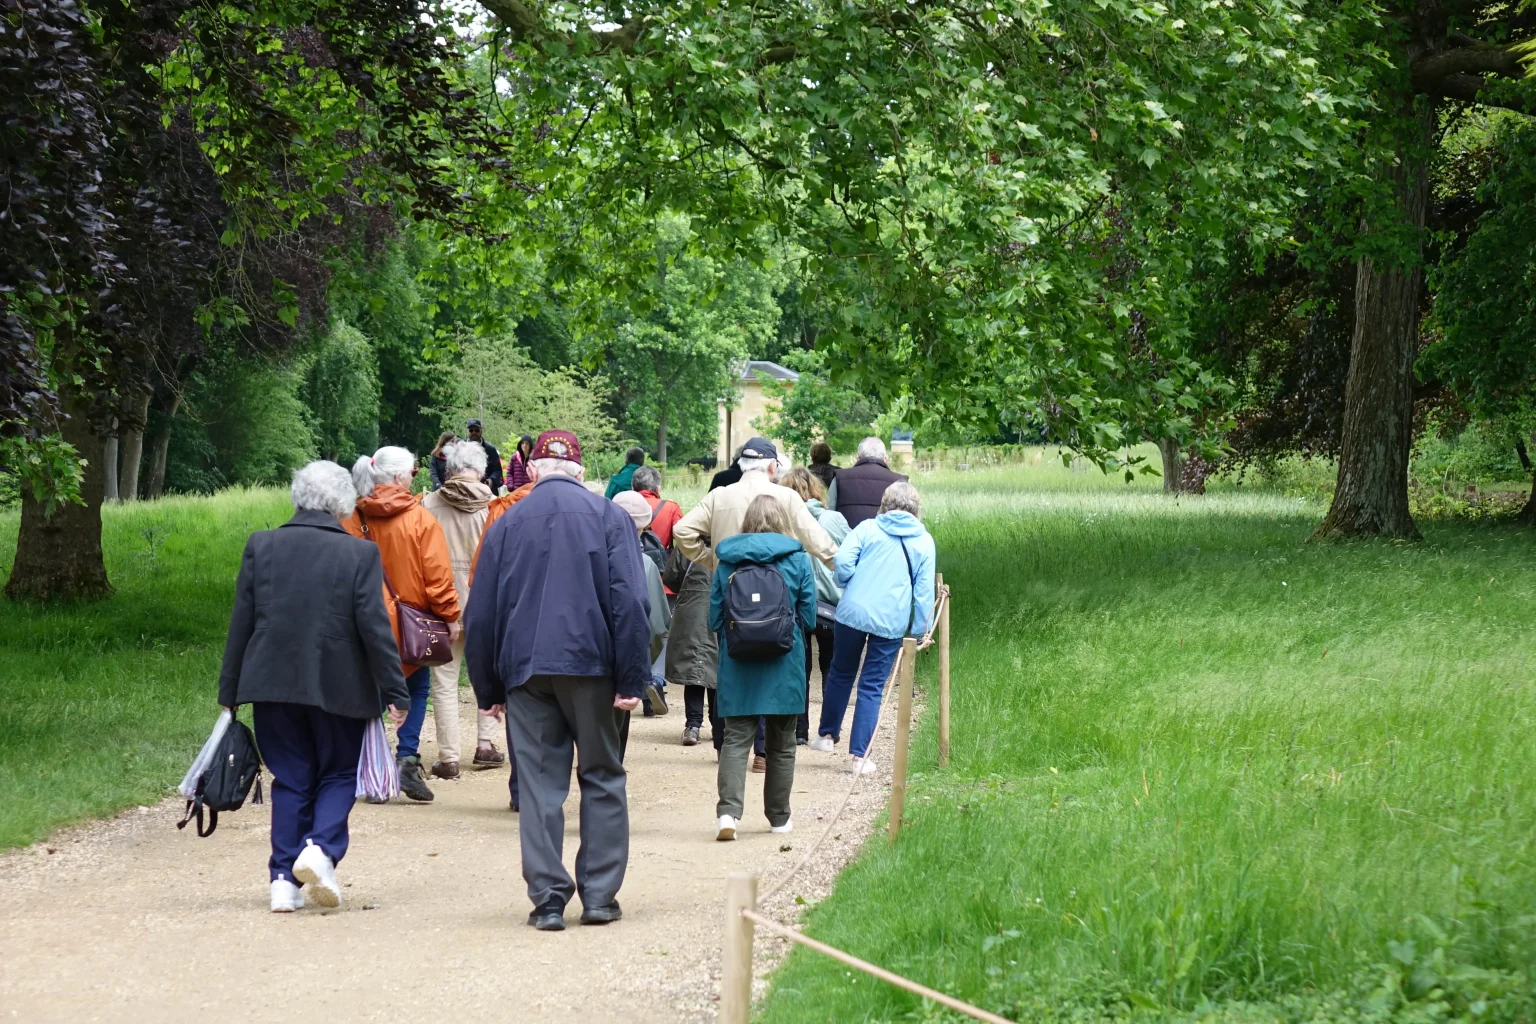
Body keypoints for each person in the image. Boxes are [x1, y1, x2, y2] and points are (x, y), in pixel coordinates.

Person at [465, 430, 650, 932]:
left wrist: (488, 689)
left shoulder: (506, 521)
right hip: (592, 665)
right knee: (603, 776)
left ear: (534, 471)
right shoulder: (609, 517)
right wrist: (633, 678)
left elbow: (480, 613)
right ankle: (599, 895)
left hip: (525, 670)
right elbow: (631, 601)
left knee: (540, 785)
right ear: (579, 470)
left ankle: (547, 898)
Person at [218, 460, 408, 913]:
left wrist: (229, 692)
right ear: (343, 503)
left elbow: (241, 623)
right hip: (340, 684)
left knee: (291, 779)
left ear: (297, 496)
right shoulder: (359, 553)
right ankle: (320, 851)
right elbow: (374, 628)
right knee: (340, 773)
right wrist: (395, 690)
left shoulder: (261, 546)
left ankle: (283, 881)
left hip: (271, 683)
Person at [671, 437, 836, 752]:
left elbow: (682, 532)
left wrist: (712, 560)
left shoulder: (719, 496)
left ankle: (726, 743)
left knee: (729, 666)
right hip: (777, 598)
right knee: (772, 669)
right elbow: (818, 543)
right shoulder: (786, 497)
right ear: (772, 467)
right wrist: (844, 569)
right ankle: (763, 748)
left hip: (732, 593)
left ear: (742, 466)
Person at [345, 446, 462, 803]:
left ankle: (371, 767)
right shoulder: (421, 519)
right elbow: (437, 578)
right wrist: (450, 615)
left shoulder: (350, 516)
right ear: (399, 477)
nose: (415, 478)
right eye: (413, 473)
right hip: (411, 624)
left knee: (367, 692)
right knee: (418, 684)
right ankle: (406, 759)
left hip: (361, 621)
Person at [708, 494, 817, 840]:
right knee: (782, 744)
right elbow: (810, 618)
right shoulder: (798, 560)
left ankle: (728, 814)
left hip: (739, 664)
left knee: (736, 740)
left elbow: (713, 619)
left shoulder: (726, 561)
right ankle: (779, 818)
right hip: (785, 664)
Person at [814, 481, 935, 774]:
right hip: (890, 621)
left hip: (852, 612)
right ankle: (859, 757)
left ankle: (826, 736)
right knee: (871, 686)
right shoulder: (924, 541)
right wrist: (920, 630)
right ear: (916, 507)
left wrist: (847, 582)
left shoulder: (868, 528)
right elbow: (923, 593)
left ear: (885, 503)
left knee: (841, 673)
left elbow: (842, 560)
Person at [420, 440, 505, 779]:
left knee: (443, 681)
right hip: (487, 603)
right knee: (488, 677)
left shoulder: (428, 504)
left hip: (442, 604)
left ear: (449, 468)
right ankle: (486, 745)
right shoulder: (497, 505)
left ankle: (448, 757)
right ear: (481, 469)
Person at [780, 467, 849, 743]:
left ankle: (799, 731)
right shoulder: (835, 519)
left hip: (793, 603)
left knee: (799, 667)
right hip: (833, 603)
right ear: (817, 490)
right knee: (832, 667)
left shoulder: (782, 519)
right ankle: (829, 731)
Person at [613, 489, 673, 733]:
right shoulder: (645, 563)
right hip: (623, 658)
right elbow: (657, 625)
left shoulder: (585, 554)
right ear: (645, 523)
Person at [827, 436, 907, 528]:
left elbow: (829, 516)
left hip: (847, 540)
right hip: (887, 541)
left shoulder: (839, 478)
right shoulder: (900, 482)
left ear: (858, 458)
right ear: (886, 459)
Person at [631, 465, 683, 550]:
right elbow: (684, 537)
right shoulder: (671, 508)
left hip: (631, 560)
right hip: (661, 561)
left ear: (633, 488)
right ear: (658, 488)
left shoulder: (622, 507)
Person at [465, 419, 504, 494]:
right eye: (471, 430)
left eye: (476, 430)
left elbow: (497, 470)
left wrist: (491, 480)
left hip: (487, 490)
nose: (474, 433)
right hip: (467, 490)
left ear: (481, 431)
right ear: (467, 432)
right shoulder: (461, 448)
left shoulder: (490, 449)